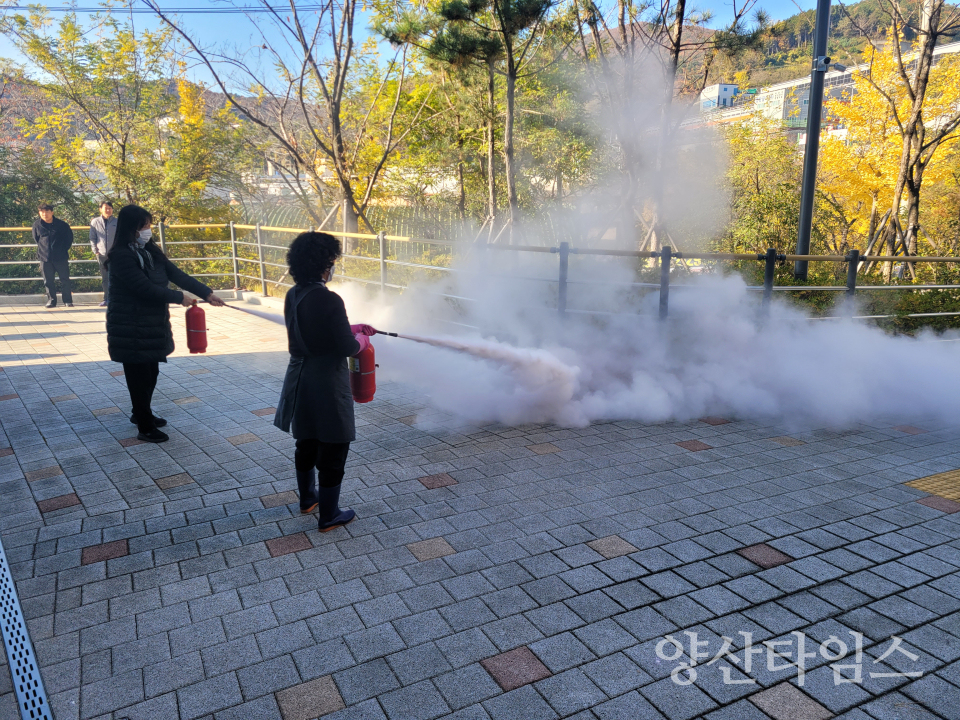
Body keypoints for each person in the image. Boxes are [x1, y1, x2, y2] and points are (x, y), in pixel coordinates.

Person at [274, 232, 377, 531]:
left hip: (300, 379)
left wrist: (352, 327)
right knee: (334, 445)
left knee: (306, 440)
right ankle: (329, 515)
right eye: (331, 262)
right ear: (322, 265)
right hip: (327, 383)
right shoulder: (330, 299)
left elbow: (314, 328)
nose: (333, 267)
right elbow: (347, 347)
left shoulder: (294, 293)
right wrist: (359, 338)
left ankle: (308, 498)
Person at [106, 204, 225, 443]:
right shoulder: (121, 256)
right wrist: (178, 297)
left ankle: (141, 413)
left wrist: (207, 293)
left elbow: (176, 274)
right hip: (130, 326)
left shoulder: (150, 250)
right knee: (139, 376)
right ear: (132, 228)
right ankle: (145, 426)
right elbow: (143, 288)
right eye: (144, 226)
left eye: (149, 225)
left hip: (151, 324)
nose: (148, 230)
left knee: (151, 372)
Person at [32, 203, 74, 308]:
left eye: (47, 211)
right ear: (39, 213)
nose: (45, 214)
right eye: (42, 212)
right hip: (45, 258)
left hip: (61, 257)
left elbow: (68, 240)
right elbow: (37, 239)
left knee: (65, 280)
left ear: (52, 212)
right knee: (48, 281)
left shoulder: (62, 225)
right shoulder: (37, 225)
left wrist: (61, 250)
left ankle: (67, 301)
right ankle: (51, 300)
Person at [90, 201, 118, 307]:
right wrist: (95, 250)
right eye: (105, 208)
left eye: (110, 208)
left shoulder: (117, 221)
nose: (108, 210)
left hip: (115, 254)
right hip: (101, 254)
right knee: (105, 277)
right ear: (100, 209)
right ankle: (106, 299)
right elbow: (92, 237)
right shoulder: (95, 222)